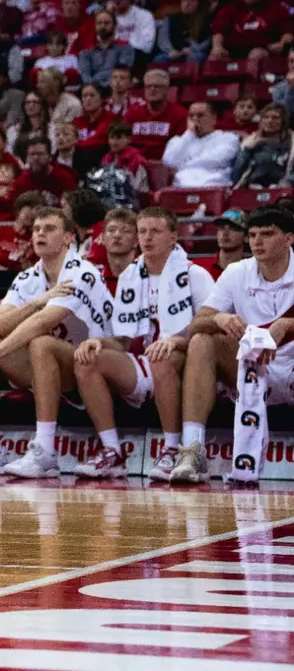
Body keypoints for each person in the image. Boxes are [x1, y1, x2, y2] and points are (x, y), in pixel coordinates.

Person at [0, 206, 115, 478]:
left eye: (49, 229)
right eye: (36, 229)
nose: (40, 234)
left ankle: (45, 452)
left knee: (40, 343)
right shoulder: (28, 276)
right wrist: (37, 301)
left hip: (91, 368)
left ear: (69, 238)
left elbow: (42, 323)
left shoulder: (81, 271)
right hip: (48, 368)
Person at [72, 206, 213, 481]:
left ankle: (173, 448)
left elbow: (210, 325)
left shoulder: (194, 274)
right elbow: (123, 338)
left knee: (161, 355)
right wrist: (97, 342)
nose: (148, 238)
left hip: (188, 359)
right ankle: (112, 452)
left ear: (173, 236)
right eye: (143, 231)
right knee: (87, 358)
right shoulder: (130, 276)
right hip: (148, 357)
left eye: (156, 231)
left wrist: (175, 341)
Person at [170, 206, 294, 485]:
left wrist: (288, 325)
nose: (257, 241)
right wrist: (219, 317)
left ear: (289, 239)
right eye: (252, 235)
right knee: (203, 340)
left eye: (267, 234)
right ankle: (192, 451)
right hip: (252, 370)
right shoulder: (237, 272)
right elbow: (197, 324)